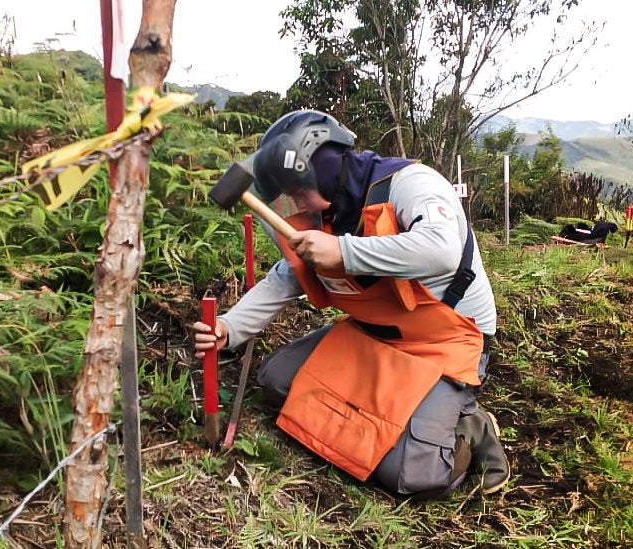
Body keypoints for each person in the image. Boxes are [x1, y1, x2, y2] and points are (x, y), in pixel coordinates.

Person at [193, 110, 510, 499]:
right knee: (276, 381)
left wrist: (344, 251)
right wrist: (229, 327)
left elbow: (442, 249)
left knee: (417, 475)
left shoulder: (412, 184)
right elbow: (288, 274)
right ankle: (395, 413)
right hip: (371, 333)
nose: (293, 203)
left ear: (321, 170)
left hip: (446, 342)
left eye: (296, 190)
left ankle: (471, 426)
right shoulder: (325, 213)